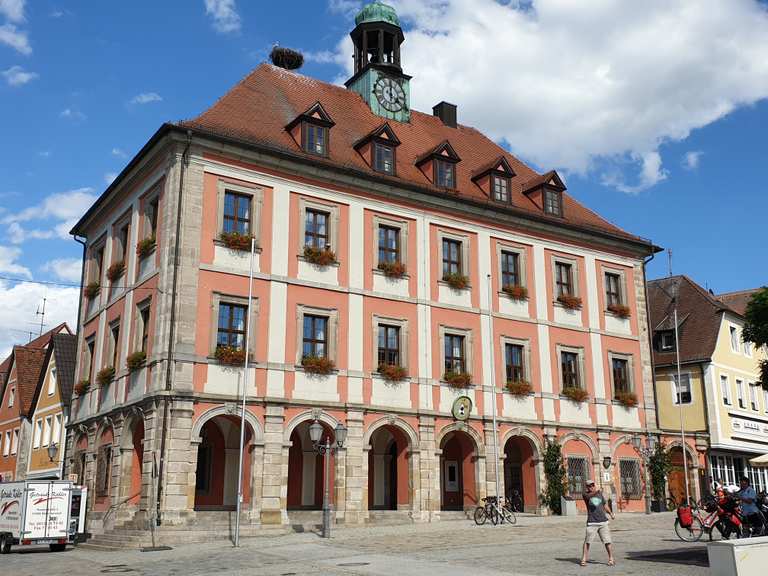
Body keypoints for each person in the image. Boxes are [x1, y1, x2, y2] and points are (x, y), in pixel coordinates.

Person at [580, 480, 616, 567]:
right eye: (589, 486)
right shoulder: (585, 494)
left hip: (603, 521)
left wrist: (610, 513)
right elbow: (590, 496)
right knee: (587, 541)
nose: (591, 487)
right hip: (592, 522)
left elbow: (604, 505)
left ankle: (611, 558)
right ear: (587, 487)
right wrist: (597, 491)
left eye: (592, 485)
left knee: (607, 541)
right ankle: (584, 559)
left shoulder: (599, 494)